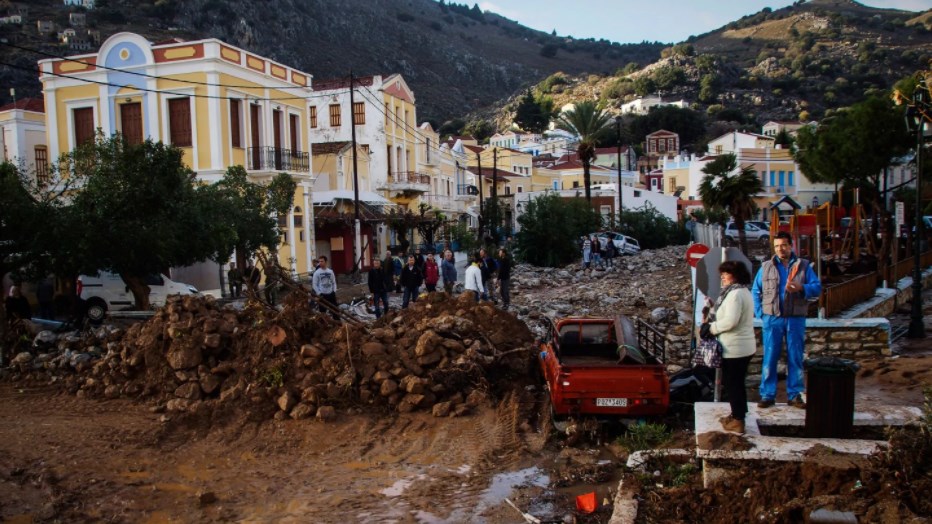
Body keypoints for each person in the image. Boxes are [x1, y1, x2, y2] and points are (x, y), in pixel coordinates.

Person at [752, 231, 822, 409]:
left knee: (795, 357)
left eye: (783, 245)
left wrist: (801, 287)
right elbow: (755, 291)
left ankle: (795, 395)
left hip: (795, 318)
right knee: (770, 357)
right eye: (776, 246)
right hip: (772, 319)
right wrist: (761, 314)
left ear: (791, 245)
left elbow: (817, 288)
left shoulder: (803, 266)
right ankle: (767, 395)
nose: (780, 249)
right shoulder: (766, 267)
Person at [700, 261, 756, 434]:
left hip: (735, 348)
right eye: (722, 273)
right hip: (742, 346)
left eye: (726, 273)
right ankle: (738, 414)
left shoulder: (735, 294)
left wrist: (711, 328)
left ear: (736, 275)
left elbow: (731, 321)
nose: (723, 277)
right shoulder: (741, 292)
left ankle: (738, 421)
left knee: (733, 384)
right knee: (737, 383)